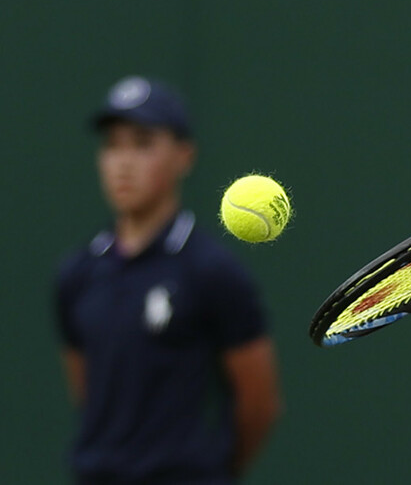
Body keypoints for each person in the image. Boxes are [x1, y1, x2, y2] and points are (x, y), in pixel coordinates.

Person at [55, 76, 283, 483]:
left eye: (143, 144)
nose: (123, 162)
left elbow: (259, 405)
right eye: (112, 145)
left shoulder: (214, 273)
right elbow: (87, 392)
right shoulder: (77, 275)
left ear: (184, 156)